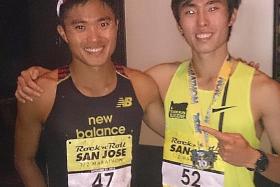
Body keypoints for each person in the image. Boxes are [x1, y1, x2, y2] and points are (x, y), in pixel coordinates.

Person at [15, 0, 280, 187]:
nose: (202, 21)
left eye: (213, 7)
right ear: (179, 22)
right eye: (190, 10)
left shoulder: (263, 90)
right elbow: (104, 79)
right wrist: (41, 75)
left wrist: (255, 159)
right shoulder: (157, 79)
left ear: (232, 15)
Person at [14, 0, 165, 187]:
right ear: (63, 33)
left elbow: (178, 135)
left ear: (116, 26)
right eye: (80, 27)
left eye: (103, 24)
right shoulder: (40, 92)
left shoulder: (141, 86)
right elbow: (24, 160)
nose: (94, 38)